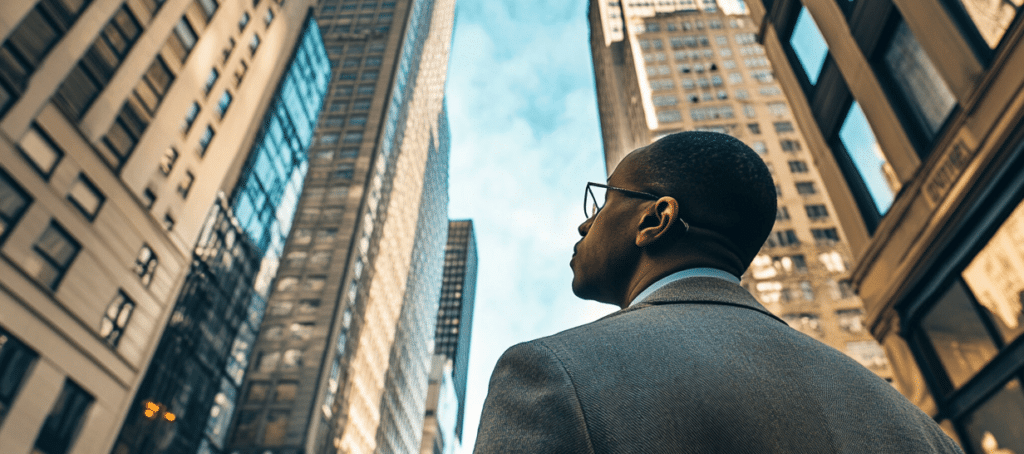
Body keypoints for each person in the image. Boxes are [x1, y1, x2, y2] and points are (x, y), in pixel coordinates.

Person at [474, 131, 963, 453]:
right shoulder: (917, 428)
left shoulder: (553, 375)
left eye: (602, 202)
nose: (585, 222)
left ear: (655, 219)